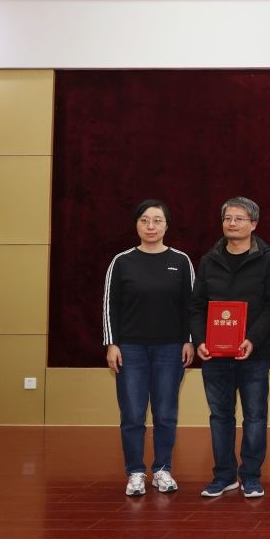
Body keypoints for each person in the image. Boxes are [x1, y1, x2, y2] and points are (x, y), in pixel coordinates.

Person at [189, 196, 270, 499]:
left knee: (255, 417)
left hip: (253, 353)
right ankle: (224, 476)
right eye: (228, 218)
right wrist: (200, 340)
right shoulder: (209, 259)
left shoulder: (269, 259)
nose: (232, 223)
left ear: (253, 224)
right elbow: (197, 306)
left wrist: (252, 339)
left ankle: (251, 476)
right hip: (214, 354)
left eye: (239, 219)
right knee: (220, 416)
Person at [102, 199, 195, 496]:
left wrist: (189, 340)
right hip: (130, 350)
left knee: (166, 413)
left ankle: (162, 470)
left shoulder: (181, 261)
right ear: (137, 225)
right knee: (132, 414)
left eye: (157, 220)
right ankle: (135, 472)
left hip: (170, 349)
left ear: (167, 225)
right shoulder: (122, 261)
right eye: (144, 220)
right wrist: (112, 344)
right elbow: (110, 306)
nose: (151, 226)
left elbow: (191, 305)